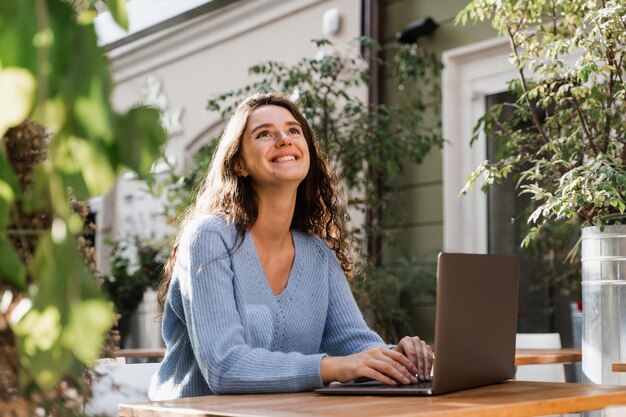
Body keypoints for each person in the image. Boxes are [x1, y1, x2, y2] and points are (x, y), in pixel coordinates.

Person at [149, 92, 433, 400]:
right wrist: (331, 368)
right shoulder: (209, 237)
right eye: (264, 134)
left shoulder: (317, 255)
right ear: (239, 164)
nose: (284, 139)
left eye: (293, 130)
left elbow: (354, 345)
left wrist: (401, 359)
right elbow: (224, 367)